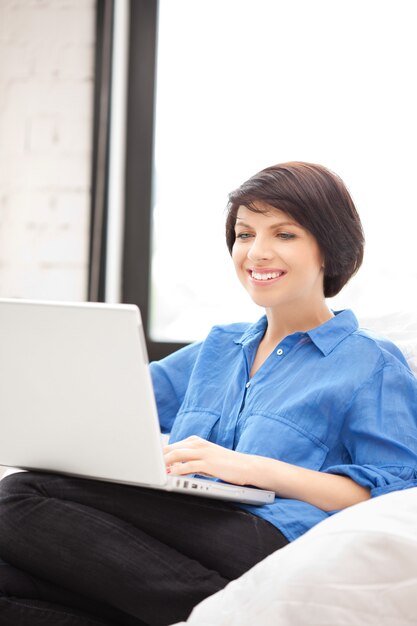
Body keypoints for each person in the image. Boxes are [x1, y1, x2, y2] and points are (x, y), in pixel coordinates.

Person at [1, 161, 417, 626]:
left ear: (328, 248)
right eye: (244, 234)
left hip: (269, 536)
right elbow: (111, 399)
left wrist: (247, 468)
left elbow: (392, 494)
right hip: (181, 526)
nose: (257, 252)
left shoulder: (369, 362)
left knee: (18, 495)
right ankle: (219, 613)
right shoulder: (218, 348)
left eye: (284, 235)